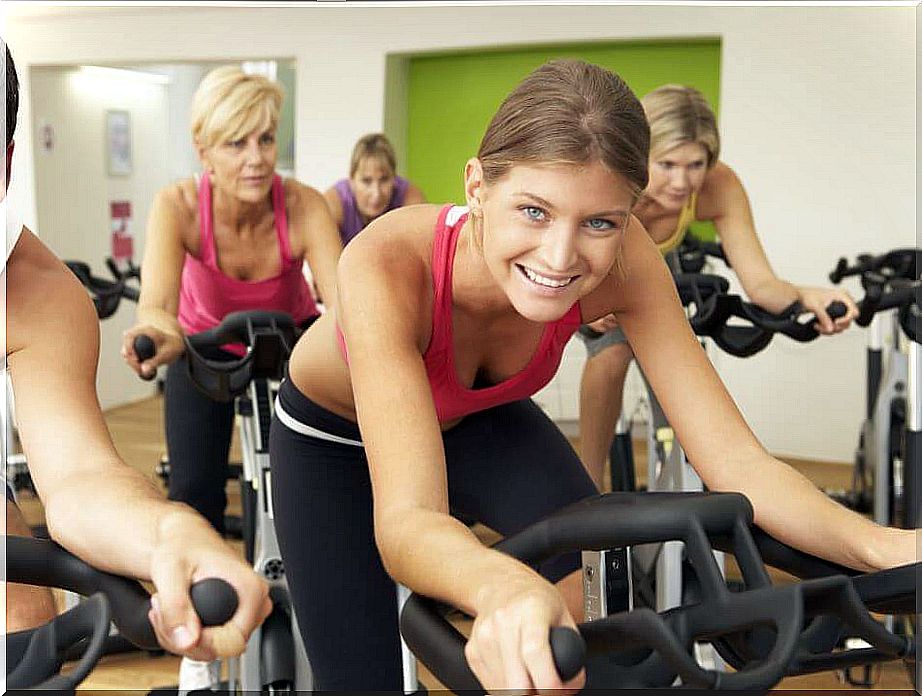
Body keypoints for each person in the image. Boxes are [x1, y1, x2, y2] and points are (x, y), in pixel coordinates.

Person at [269, 60, 914, 693]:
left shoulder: (629, 260)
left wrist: (883, 545)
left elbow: (736, 464)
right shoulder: (386, 262)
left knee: (593, 615)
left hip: (480, 422)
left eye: (599, 222)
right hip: (332, 440)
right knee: (362, 677)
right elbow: (409, 523)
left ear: (630, 214)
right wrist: (502, 584)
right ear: (476, 186)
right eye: (533, 210)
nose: (559, 256)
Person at [2, 40, 270, 659]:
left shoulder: (38, 295)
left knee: (23, 611)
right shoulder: (178, 207)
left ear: (7, 163)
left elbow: (78, 478)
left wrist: (169, 534)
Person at [578, 84, 859, 490]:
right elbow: (572, 248)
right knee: (613, 352)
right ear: (641, 155)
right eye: (668, 164)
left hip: (655, 260)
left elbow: (761, 284)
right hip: (592, 259)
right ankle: (585, 487)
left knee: (678, 359)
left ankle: (683, 483)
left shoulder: (719, 185)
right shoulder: (615, 181)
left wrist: (806, 296)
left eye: (695, 164)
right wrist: (590, 297)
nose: (682, 182)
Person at [121, 66, 342, 535]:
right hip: (203, 348)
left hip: (291, 346)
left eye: (265, 139)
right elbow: (157, 304)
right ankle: (208, 594)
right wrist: (157, 334)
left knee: (313, 483)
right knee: (194, 492)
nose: (257, 159)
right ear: (204, 152)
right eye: (236, 144)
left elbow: (345, 300)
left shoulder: (304, 205)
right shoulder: (177, 206)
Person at [324, 132, 426, 247]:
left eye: (384, 180)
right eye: (366, 181)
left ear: (394, 178)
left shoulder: (411, 200)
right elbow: (328, 263)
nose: (376, 193)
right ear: (351, 180)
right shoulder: (333, 204)